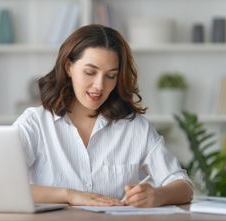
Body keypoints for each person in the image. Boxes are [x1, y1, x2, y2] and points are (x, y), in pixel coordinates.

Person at [13, 24, 193, 208]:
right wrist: (69, 195)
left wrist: (158, 195)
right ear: (69, 67)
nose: (99, 85)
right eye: (90, 72)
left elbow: (183, 185)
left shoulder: (134, 127)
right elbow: (0, 184)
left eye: (110, 76)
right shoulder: (35, 124)